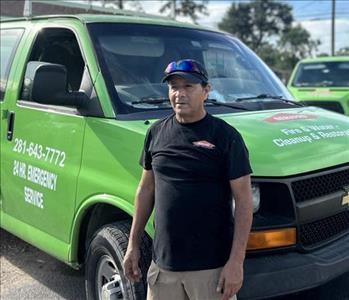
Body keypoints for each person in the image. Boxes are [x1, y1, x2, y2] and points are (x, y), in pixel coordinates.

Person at [123, 59, 253, 300]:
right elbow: (146, 189)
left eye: (188, 87)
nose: (179, 94)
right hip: (163, 268)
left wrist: (236, 262)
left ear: (206, 91)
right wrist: (133, 244)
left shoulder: (225, 137)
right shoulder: (156, 133)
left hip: (211, 270)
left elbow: (244, 202)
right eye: (174, 87)